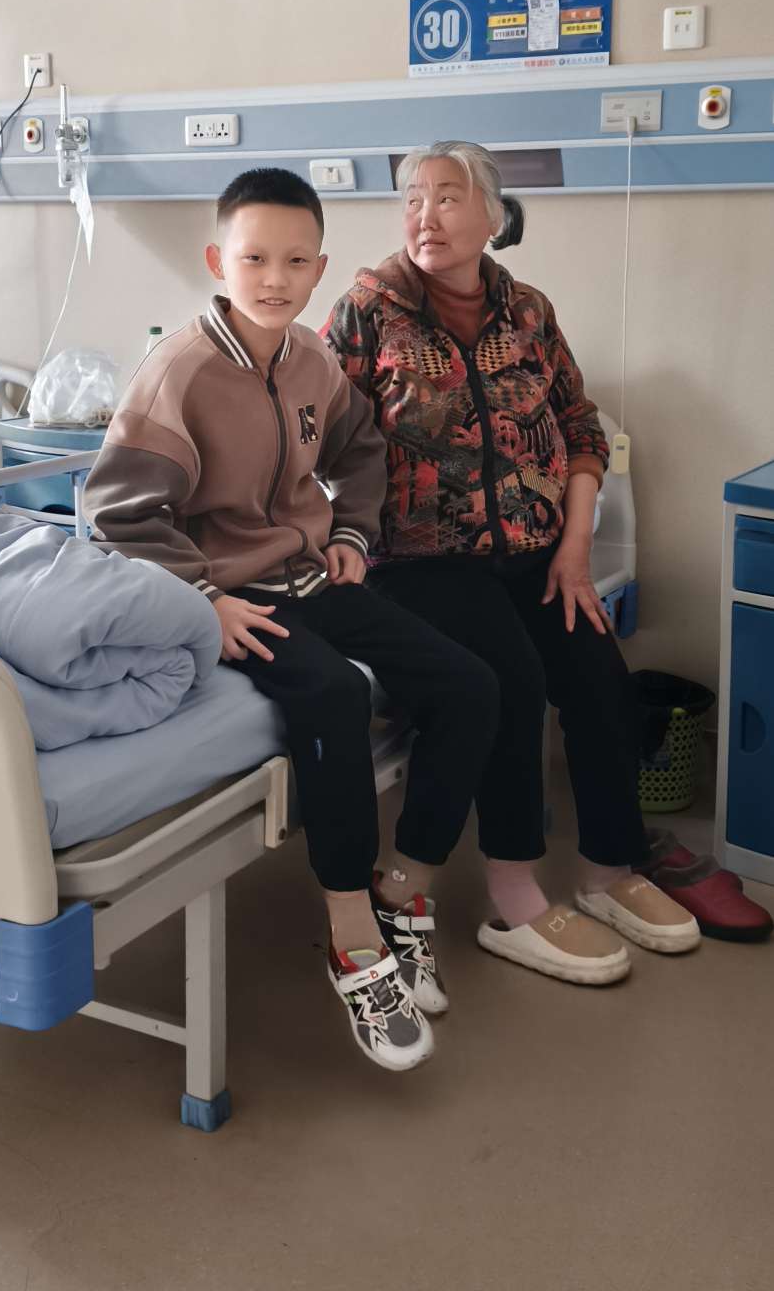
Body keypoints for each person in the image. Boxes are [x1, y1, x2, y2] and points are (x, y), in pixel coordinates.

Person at [83, 167, 507, 1074]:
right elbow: (116, 515)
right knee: (333, 697)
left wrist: (351, 532)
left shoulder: (312, 359)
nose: (274, 278)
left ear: (319, 268)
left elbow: (360, 448)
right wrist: (202, 602)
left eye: (294, 261)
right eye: (254, 259)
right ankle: (351, 932)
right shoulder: (179, 375)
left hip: (310, 577)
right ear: (218, 262)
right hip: (227, 598)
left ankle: (404, 889)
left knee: (471, 686)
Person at [323, 140, 700, 984]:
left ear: (494, 216)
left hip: (537, 552)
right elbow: (316, 435)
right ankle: (513, 893)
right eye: (413, 199)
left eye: (448, 197)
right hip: (418, 560)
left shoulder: (527, 310)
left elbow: (581, 428)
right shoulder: (366, 311)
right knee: (516, 681)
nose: (426, 215)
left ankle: (608, 869)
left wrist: (575, 548)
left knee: (601, 676)